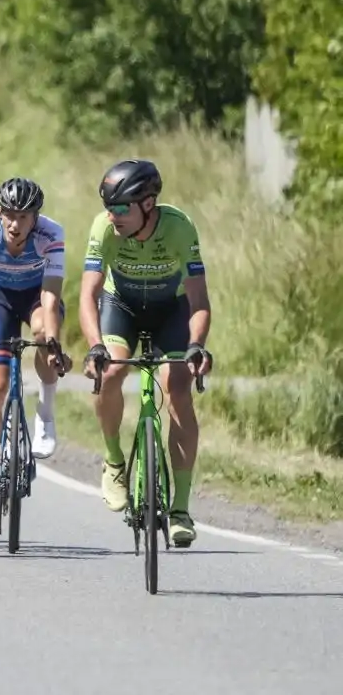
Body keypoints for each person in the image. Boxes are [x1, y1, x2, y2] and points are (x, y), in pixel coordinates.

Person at [80, 160, 212, 547]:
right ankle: (113, 461)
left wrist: (196, 345)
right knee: (112, 372)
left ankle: (181, 509)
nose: (113, 216)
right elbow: (88, 295)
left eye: (121, 208)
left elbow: (199, 299)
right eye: (108, 207)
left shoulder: (179, 227)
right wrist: (95, 347)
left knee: (178, 386)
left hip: (170, 310)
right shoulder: (104, 228)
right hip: (121, 306)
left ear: (149, 204)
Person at [0, 177, 68, 528]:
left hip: (36, 298)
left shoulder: (51, 235)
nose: (14, 224)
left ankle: (45, 416)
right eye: (8, 214)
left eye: (23, 216)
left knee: (41, 335)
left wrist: (52, 339)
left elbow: (51, 296)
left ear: (36, 217)